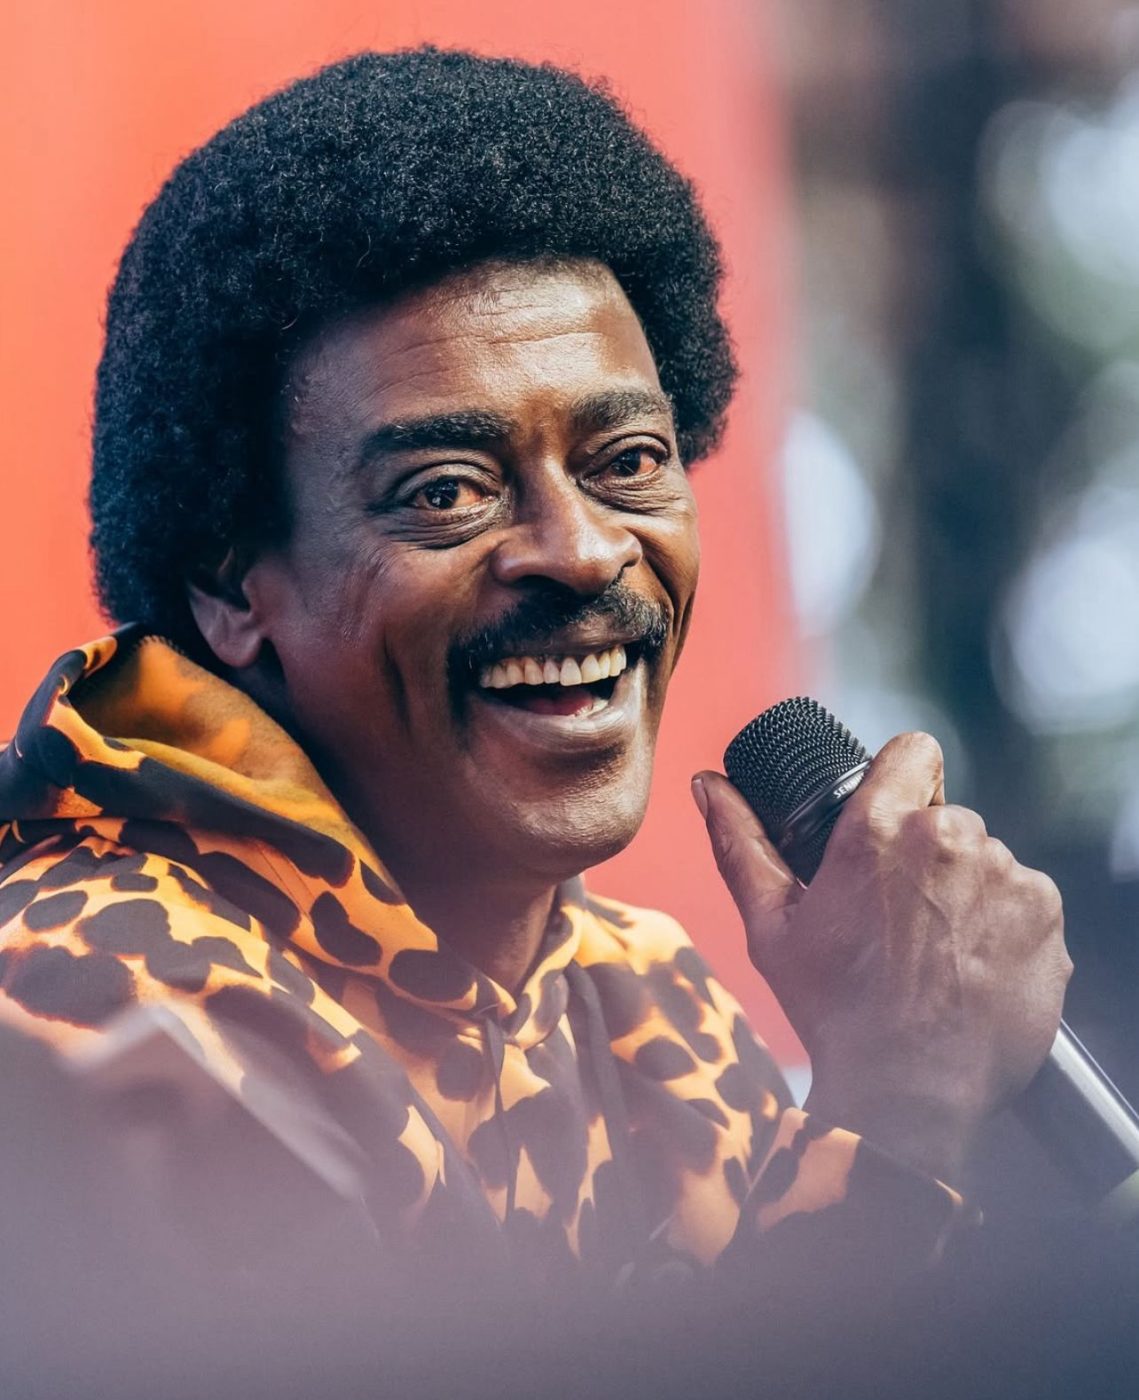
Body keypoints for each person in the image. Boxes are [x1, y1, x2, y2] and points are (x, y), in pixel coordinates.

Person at [0, 48, 1069, 1294]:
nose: (581, 549)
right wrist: (890, 1115)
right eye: (445, 490)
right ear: (233, 588)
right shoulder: (99, 1008)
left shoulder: (641, 999)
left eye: (628, 461)